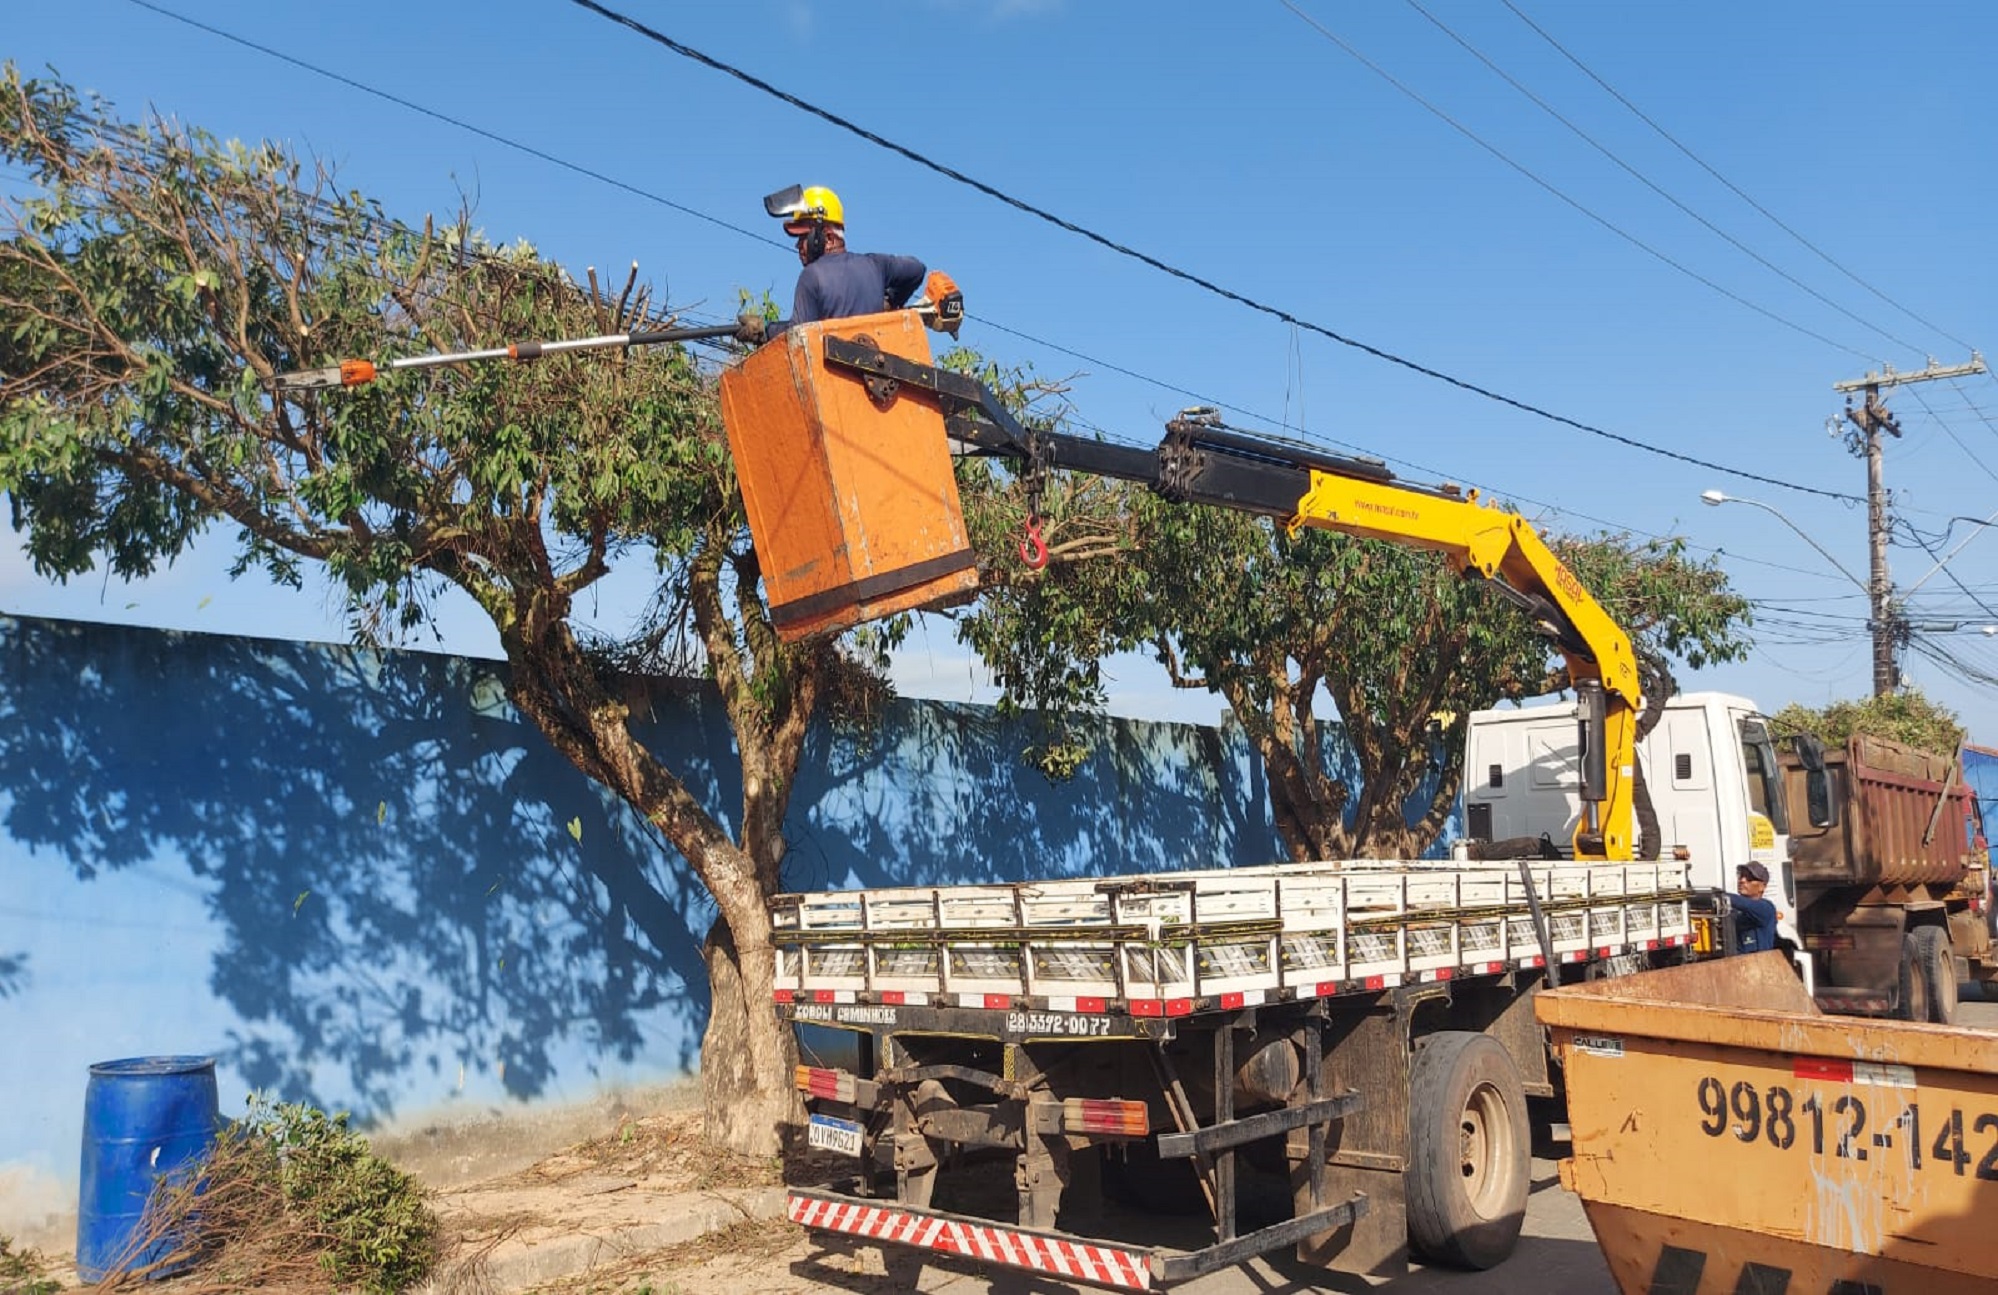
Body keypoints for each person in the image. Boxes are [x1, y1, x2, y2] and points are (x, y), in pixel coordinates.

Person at [736, 184, 958, 342]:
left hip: (836, 383)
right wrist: (890, 303)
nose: (798, 246)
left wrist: (763, 330)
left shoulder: (812, 276)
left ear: (828, 238)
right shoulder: (876, 265)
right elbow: (917, 269)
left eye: (803, 237)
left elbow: (799, 333)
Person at [1732, 861, 1785, 954]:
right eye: (1741, 876)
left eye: (1749, 878)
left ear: (1762, 886)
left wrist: (1719, 896)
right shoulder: (1734, 910)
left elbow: (1745, 904)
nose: (1742, 880)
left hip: (1758, 965)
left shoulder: (1766, 908)